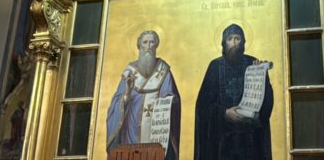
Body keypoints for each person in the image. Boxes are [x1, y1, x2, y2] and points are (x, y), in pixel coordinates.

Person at [195, 24, 273, 160]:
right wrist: (224, 113)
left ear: (243, 42)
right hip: (222, 143)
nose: (234, 43)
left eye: (237, 39)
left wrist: (262, 76)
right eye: (230, 39)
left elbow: (266, 104)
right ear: (223, 43)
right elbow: (202, 107)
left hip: (250, 142)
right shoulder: (215, 67)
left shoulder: (253, 63)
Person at [106, 30, 180, 160]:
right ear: (139, 46)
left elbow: (171, 98)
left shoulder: (164, 71)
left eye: (152, 42)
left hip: (155, 130)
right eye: (145, 42)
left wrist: (169, 101)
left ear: (156, 45)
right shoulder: (129, 72)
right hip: (131, 131)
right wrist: (127, 94)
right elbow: (116, 104)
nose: (148, 46)